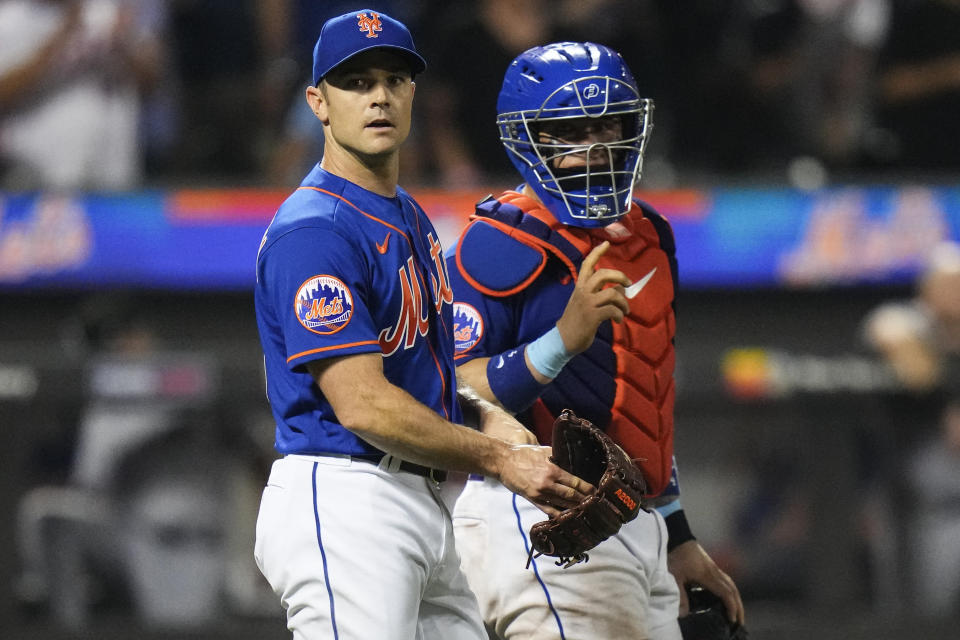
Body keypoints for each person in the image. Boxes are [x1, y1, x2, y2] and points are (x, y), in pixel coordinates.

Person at [252, 11, 593, 639]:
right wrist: (496, 458)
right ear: (317, 102)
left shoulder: (407, 214)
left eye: (394, 78)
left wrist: (485, 414)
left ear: (414, 94)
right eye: (354, 81)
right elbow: (363, 406)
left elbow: (419, 380)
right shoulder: (315, 230)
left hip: (423, 502)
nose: (378, 95)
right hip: (346, 495)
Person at [445, 42, 745, 638]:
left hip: (639, 520)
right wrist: (563, 339)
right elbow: (450, 387)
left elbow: (644, 399)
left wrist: (677, 535)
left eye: (609, 123)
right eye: (571, 129)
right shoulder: (497, 242)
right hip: (543, 515)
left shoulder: (649, 236)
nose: (597, 145)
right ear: (527, 136)